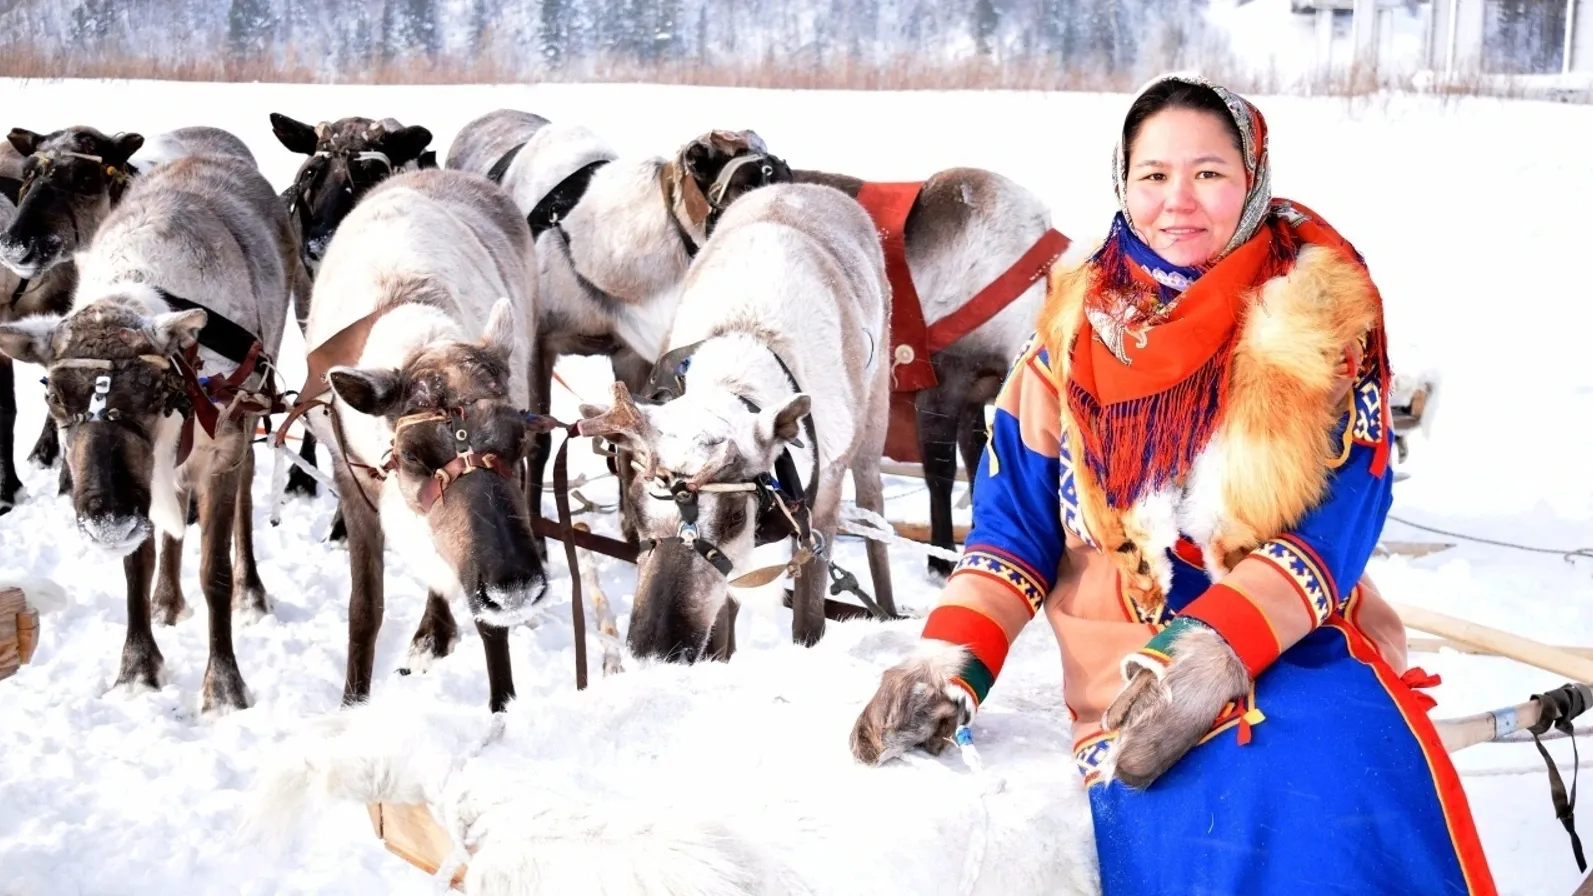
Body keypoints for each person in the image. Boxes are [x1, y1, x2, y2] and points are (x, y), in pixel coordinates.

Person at [848, 72, 1498, 895]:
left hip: (1288, 636)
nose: (1176, 202)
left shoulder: (1316, 321)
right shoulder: (1070, 338)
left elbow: (1342, 516)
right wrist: (949, 659)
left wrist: (1223, 647)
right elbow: (1012, 530)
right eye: (1151, 175)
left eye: (1208, 174)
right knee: (1202, 812)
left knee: (1337, 787)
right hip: (1124, 657)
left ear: (1252, 177)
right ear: (1122, 183)